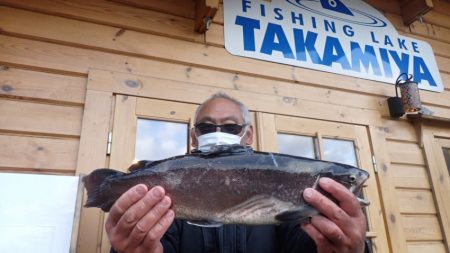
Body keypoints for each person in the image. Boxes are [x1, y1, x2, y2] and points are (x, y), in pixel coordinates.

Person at [106, 93, 368, 253]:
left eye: (231, 127)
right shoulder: (165, 198)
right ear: (194, 137)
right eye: (206, 127)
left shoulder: (293, 199)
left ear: (249, 134)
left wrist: (354, 250)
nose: (218, 132)